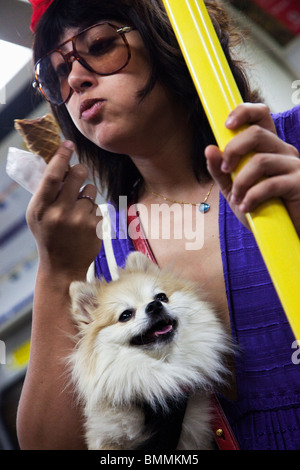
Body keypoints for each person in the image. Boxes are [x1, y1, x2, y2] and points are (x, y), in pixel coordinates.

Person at [17, 0, 300, 450]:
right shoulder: (104, 252)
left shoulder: (290, 147)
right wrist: (56, 274)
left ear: (168, 38)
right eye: (55, 77)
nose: (75, 80)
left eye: (101, 45)